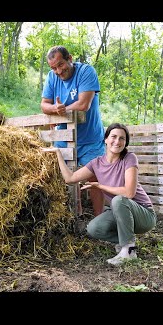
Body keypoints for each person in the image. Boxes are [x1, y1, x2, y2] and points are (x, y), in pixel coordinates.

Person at [42, 122, 157, 266]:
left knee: (118, 200)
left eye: (122, 138)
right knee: (93, 228)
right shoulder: (96, 163)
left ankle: (128, 250)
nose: (117, 141)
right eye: (114, 136)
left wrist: (101, 186)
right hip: (121, 212)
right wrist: (58, 153)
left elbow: (129, 192)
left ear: (126, 142)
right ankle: (125, 242)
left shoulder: (129, 158)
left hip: (144, 216)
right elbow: (70, 179)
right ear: (106, 140)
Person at [40, 45, 105, 216]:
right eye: (53, 68)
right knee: (67, 176)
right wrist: (55, 108)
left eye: (60, 65)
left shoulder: (86, 72)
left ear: (70, 59)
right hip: (64, 136)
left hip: (90, 137)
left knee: (95, 177)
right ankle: (76, 216)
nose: (58, 71)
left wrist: (63, 109)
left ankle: (99, 220)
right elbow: (44, 105)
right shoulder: (51, 77)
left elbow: (84, 104)